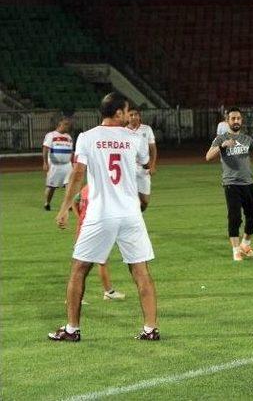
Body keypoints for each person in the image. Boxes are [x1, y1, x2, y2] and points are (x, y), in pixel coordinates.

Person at [48, 92, 159, 342]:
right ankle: (150, 329)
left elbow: (78, 174)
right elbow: (143, 165)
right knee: (141, 271)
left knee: (79, 269)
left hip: (101, 214)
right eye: (127, 111)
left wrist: (65, 208)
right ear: (118, 112)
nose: (130, 116)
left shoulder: (87, 137)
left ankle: (72, 329)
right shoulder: (135, 138)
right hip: (130, 214)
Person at [205, 107, 253, 261]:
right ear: (228, 121)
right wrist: (222, 146)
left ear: (241, 121)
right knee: (235, 218)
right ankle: (236, 251)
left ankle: (245, 245)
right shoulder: (221, 138)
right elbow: (208, 156)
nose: (236, 121)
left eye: (238, 118)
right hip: (231, 184)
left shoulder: (247, 139)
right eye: (233, 118)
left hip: (249, 184)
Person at [72, 184, 126, 300]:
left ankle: (108, 292)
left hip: (87, 228)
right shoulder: (102, 189)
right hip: (91, 229)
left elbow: (74, 202)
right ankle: (73, 297)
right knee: (80, 264)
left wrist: (79, 218)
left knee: (101, 260)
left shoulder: (86, 188)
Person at [127, 106, 157, 212]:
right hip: (130, 168)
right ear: (127, 117)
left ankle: (137, 215)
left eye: (136, 114)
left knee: (145, 202)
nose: (134, 117)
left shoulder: (147, 129)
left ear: (139, 116)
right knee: (132, 198)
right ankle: (133, 221)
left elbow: (152, 149)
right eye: (131, 115)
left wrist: (152, 165)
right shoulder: (123, 131)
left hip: (144, 169)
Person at [42, 116, 73, 211]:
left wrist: (72, 162)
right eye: (66, 124)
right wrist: (45, 162)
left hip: (67, 165)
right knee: (52, 187)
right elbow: (45, 148)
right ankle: (47, 203)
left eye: (68, 125)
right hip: (55, 165)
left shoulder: (68, 137)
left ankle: (69, 204)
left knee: (69, 185)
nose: (68, 126)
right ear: (60, 125)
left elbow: (71, 151)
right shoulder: (51, 135)